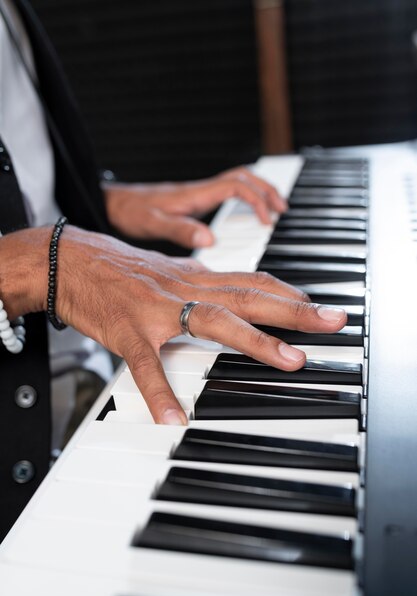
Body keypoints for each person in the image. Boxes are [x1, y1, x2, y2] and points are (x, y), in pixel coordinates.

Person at [0, 0, 347, 540]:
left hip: (85, 374)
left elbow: (19, 177)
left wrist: (99, 205)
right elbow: (36, 252)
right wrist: (33, 264)